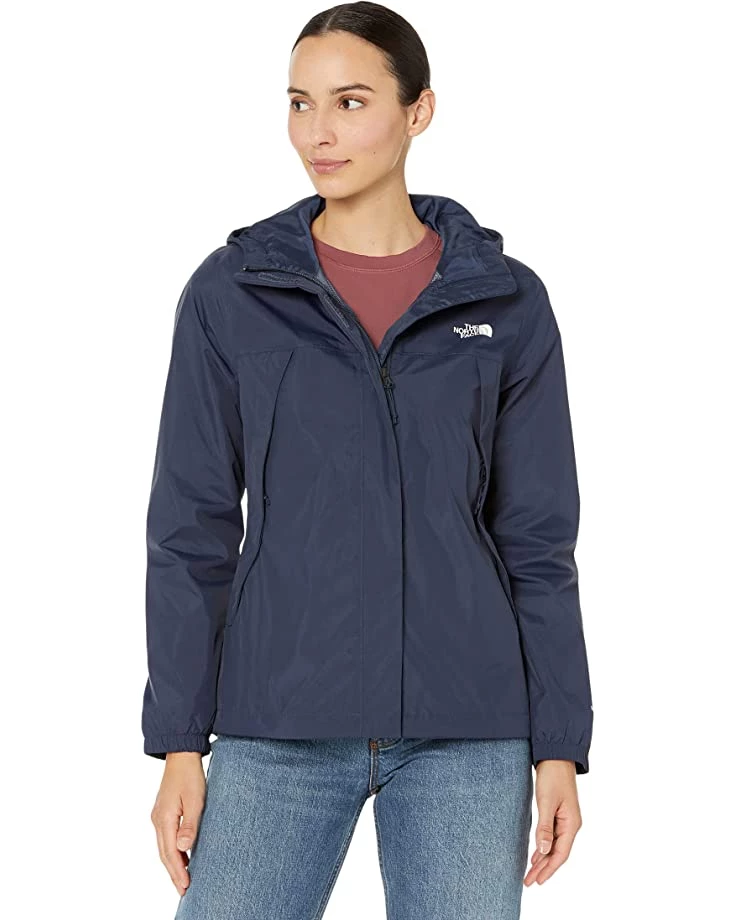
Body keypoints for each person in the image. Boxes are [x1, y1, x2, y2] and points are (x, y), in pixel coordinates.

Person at [143, 3, 594, 917]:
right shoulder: (232, 294)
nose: (318, 133)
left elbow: (538, 541)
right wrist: (180, 740)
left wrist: (558, 743)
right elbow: (191, 529)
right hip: (278, 720)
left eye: (350, 103)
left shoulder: (506, 303)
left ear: (418, 110)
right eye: (300, 103)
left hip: (468, 728)